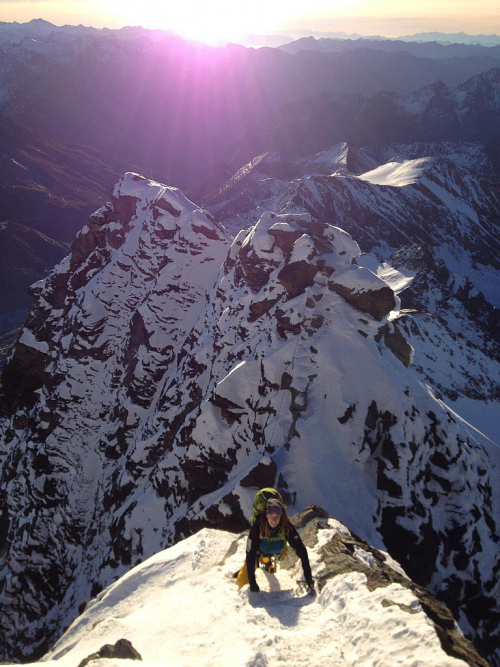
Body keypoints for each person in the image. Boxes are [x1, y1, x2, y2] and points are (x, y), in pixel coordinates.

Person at [236, 497, 314, 593]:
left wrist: (308, 577)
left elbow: (301, 550)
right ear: (266, 515)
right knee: (241, 582)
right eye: (271, 515)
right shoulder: (257, 527)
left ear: (281, 517)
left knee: (266, 553)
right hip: (257, 552)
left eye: (277, 516)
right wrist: (252, 582)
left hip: (276, 549)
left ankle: (266, 559)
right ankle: (264, 559)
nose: (274, 520)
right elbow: (250, 554)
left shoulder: (286, 527)